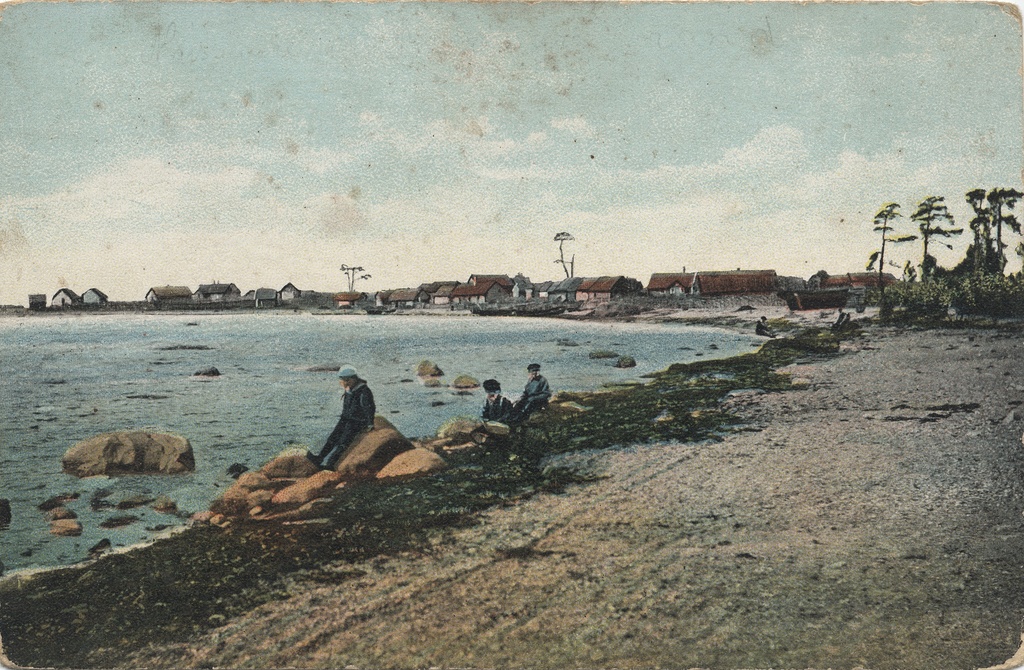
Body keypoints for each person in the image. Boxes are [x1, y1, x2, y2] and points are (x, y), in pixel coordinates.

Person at [307, 365, 376, 470]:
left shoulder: (363, 391)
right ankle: (319, 458)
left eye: (348, 380)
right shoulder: (349, 389)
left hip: (357, 421)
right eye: (344, 380)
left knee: (343, 442)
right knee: (332, 438)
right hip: (345, 419)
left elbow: (369, 408)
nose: (345, 382)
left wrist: (370, 423)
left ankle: (331, 464)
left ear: (354, 378)